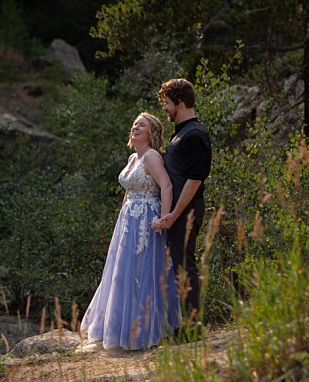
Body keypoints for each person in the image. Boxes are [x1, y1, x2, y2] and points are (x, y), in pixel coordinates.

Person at [80, 112, 180, 351]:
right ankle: (122, 328)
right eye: (135, 123)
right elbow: (128, 191)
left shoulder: (152, 156)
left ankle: (147, 331)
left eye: (142, 125)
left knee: (144, 272)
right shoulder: (132, 158)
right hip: (128, 221)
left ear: (151, 132)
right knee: (123, 272)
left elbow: (166, 186)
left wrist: (164, 218)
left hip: (148, 219)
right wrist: (121, 215)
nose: (136, 127)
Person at [152, 79, 212, 330]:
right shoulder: (180, 132)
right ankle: (183, 324)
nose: (165, 109)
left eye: (167, 103)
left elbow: (195, 179)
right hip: (179, 211)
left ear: (180, 102)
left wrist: (175, 213)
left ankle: (193, 327)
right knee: (178, 265)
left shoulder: (194, 134)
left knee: (185, 265)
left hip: (187, 210)